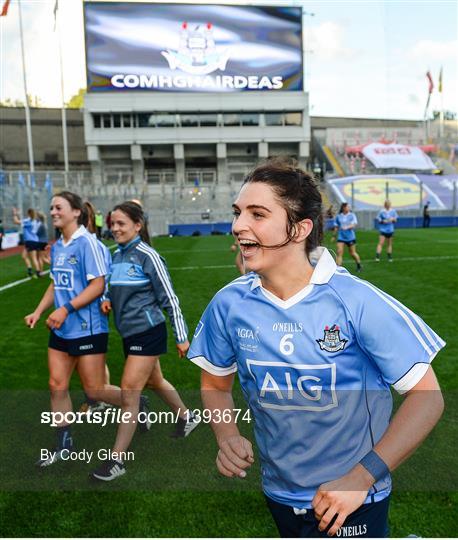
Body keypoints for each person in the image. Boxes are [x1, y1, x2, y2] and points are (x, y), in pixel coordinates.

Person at [188, 159, 445, 538]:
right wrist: (226, 435)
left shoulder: (356, 301)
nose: (238, 225)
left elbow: (428, 398)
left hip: (356, 497)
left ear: (300, 228)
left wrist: (360, 478)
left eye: (257, 214)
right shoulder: (229, 305)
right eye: (238, 212)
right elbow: (214, 384)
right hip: (278, 491)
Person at [90, 201, 199, 481]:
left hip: (148, 333)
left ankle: (117, 461)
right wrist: (104, 301)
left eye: (121, 224)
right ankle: (187, 416)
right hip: (130, 334)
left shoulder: (148, 256)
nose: (114, 229)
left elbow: (170, 300)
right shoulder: (116, 256)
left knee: (129, 393)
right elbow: (109, 289)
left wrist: (182, 338)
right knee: (154, 381)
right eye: (112, 224)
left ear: (138, 226)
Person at [24, 191, 122, 467]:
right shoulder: (57, 247)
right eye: (51, 207)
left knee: (95, 391)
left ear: (76, 212)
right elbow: (56, 283)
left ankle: (137, 403)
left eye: (58, 207)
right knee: (56, 385)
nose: (53, 211)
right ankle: (64, 443)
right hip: (61, 330)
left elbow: (98, 286)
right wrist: (39, 310)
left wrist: (65, 309)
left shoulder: (87, 243)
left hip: (88, 328)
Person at [12, 207, 41, 277]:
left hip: (30, 241)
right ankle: (30, 269)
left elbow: (16, 221)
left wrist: (15, 214)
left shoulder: (28, 221)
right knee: (24, 256)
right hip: (34, 240)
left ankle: (38, 272)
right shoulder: (35, 221)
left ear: (28, 213)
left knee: (33, 257)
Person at [335, 202, 362, 272]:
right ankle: (338, 269)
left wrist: (347, 227)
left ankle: (359, 265)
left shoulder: (352, 215)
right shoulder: (339, 216)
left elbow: (354, 224)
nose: (349, 208)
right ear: (343, 208)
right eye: (347, 207)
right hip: (341, 237)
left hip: (350, 237)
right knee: (339, 252)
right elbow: (336, 225)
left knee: (352, 253)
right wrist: (334, 235)